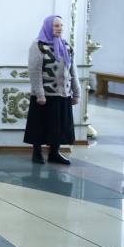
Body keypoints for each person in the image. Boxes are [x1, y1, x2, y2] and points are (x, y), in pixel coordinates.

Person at [24, 15, 80, 165]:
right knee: (40, 124)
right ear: (48, 27)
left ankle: (54, 153)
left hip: (63, 94)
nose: (59, 28)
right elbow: (34, 71)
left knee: (60, 126)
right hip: (45, 95)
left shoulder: (66, 46)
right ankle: (37, 153)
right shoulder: (38, 45)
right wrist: (40, 94)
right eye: (56, 26)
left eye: (61, 25)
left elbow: (72, 71)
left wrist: (76, 92)